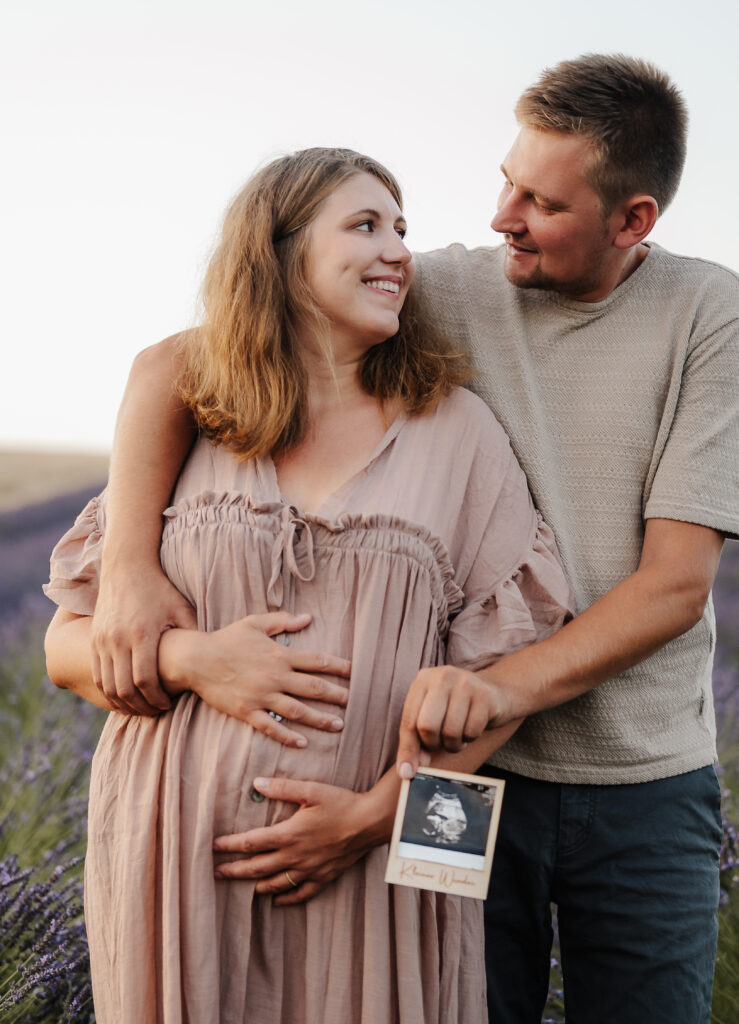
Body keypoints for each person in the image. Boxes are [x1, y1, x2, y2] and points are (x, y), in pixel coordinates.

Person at [82, 55, 739, 1023]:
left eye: (541, 203)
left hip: (639, 784)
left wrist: (487, 687)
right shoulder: (441, 284)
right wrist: (131, 566)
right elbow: (183, 358)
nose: (501, 217)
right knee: (452, 997)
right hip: (474, 776)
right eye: (505, 181)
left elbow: (674, 586)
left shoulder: (705, 314)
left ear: (631, 220)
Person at [43, 147, 574, 1024]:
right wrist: (191, 660)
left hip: (388, 863)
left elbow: (507, 689)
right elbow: (67, 652)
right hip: (176, 853)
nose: (398, 250)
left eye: (400, 229)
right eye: (365, 225)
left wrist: (379, 819)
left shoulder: (460, 430)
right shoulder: (194, 425)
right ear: (281, 254)